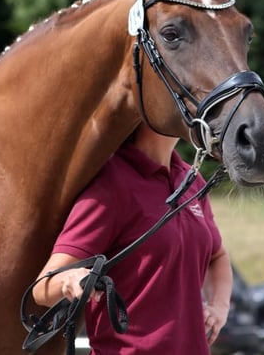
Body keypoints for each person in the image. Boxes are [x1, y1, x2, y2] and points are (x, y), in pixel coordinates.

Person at [33, 123, 233, 354]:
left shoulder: (192, 181)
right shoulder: (112, 182)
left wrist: (219, 307)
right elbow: (42, 289)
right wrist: (70, 278)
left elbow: (217, 256)